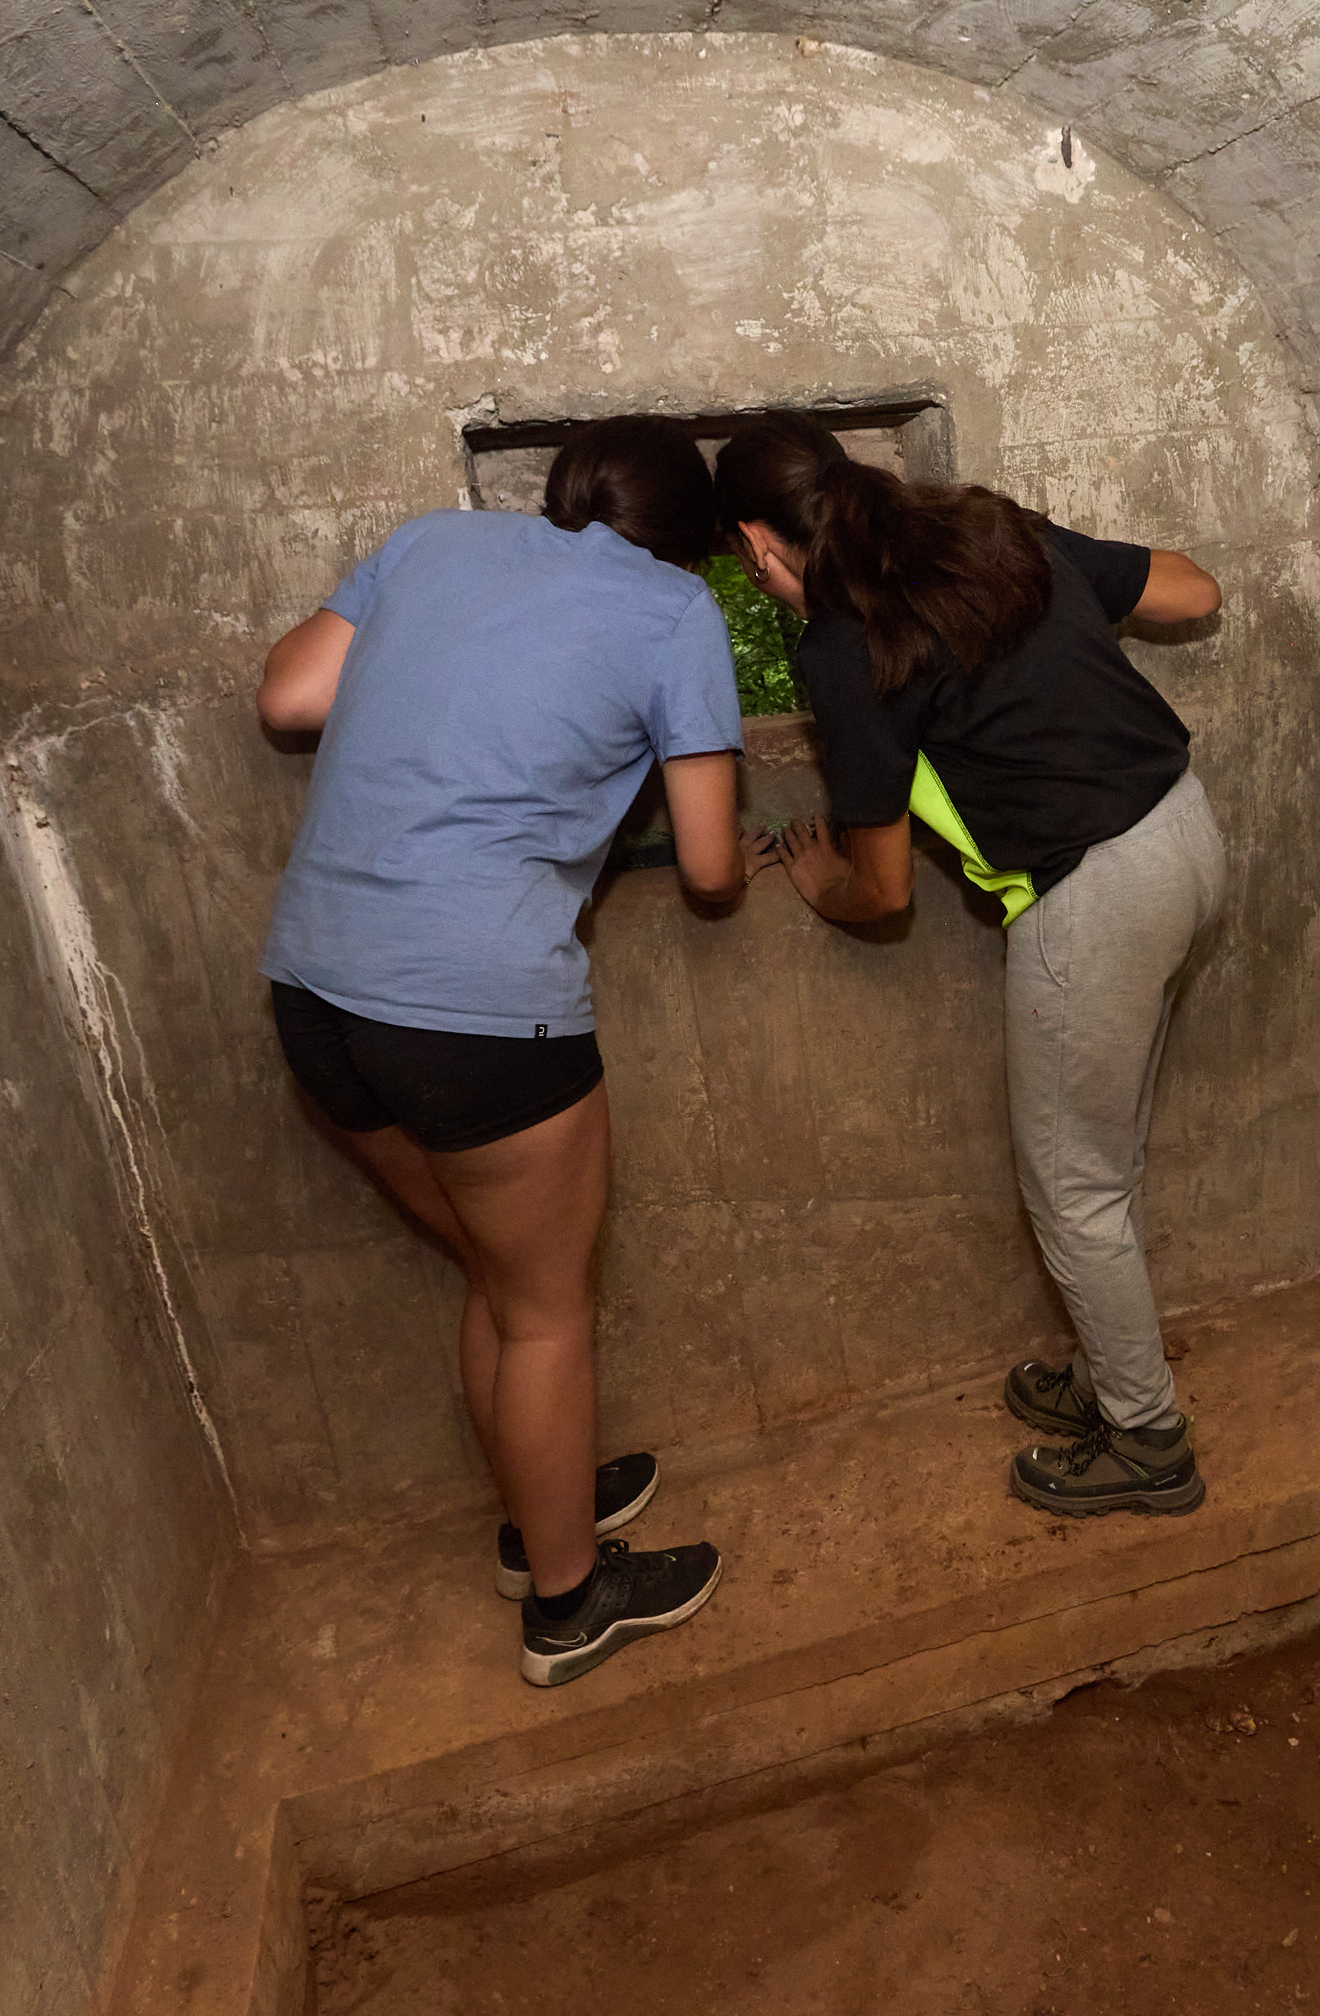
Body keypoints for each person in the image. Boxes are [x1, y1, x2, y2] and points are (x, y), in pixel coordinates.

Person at [255, 416, 768, 1686]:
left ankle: (540, 1518)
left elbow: (291, 696)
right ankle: (571, 1602)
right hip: (477, 1008)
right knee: (544, 1312)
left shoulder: (435, 543)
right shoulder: (673, 611)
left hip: (315, 988)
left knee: (495, 1276)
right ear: (690, 538)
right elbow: (711, 867)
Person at [714, 416, 1227, 1517]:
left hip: (1094, 895)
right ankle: (1109, 1373)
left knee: (1074, 1187)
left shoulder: (842, 645)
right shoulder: (982, 528)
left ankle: (1147, 1440)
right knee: (1105, 1160)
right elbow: (1193, 592)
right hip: (1185, 835)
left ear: (757, 545)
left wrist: (820, 885)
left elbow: (884, 890)